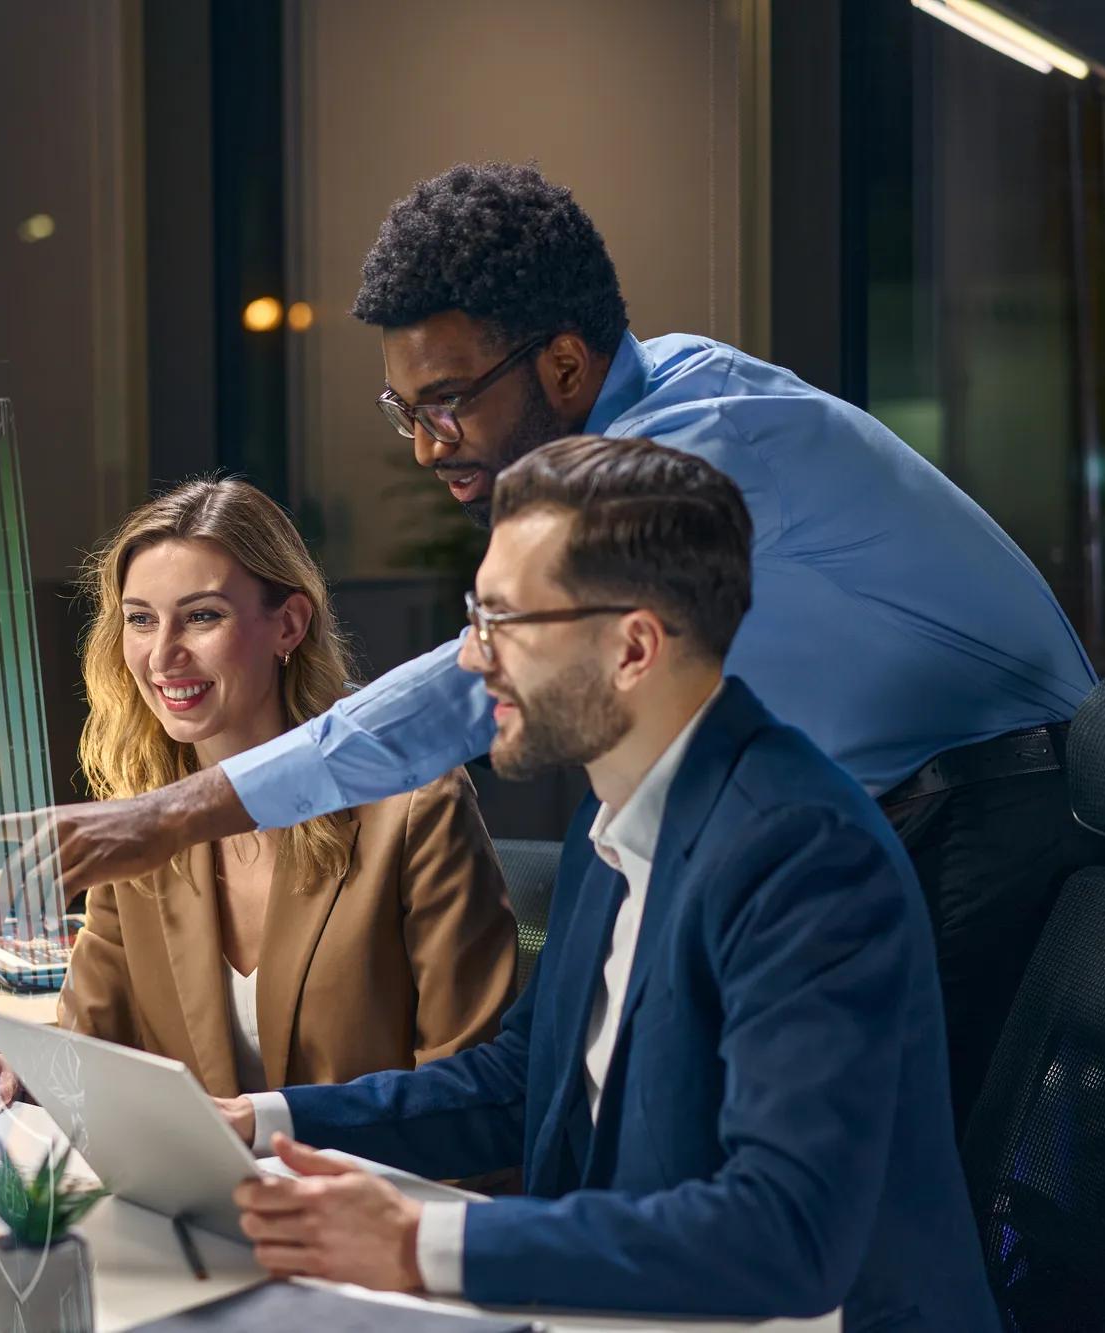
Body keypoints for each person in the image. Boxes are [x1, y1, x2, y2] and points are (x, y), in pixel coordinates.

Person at [0, 162, 1102, 1134]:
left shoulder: (689, 455)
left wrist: (177, 810)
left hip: (986, 803)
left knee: (886, 1185)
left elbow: (466, 686)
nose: (422, 447)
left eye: (445, 402)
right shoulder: (640, 422)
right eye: (404, 411)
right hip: (873, 804)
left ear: (559, 365)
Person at [217, 437, 998, 1332]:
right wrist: (261, 1119)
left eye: (506, 622)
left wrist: (421, 1244)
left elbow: (784, 1235)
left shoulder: (803, 854)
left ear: (633, 647)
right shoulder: (614, 820)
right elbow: (524, 1082)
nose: (474, 660)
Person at [0, 479, 516, 1114]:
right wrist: (12, 1070)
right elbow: (93, 1050)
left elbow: (472, 1094)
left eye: (203, 616)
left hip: (375, 1200)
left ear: (289, 625)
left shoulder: (415, 807)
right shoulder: (140, 819)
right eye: (140, 620)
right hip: (203, 1205)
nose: (163, 656)